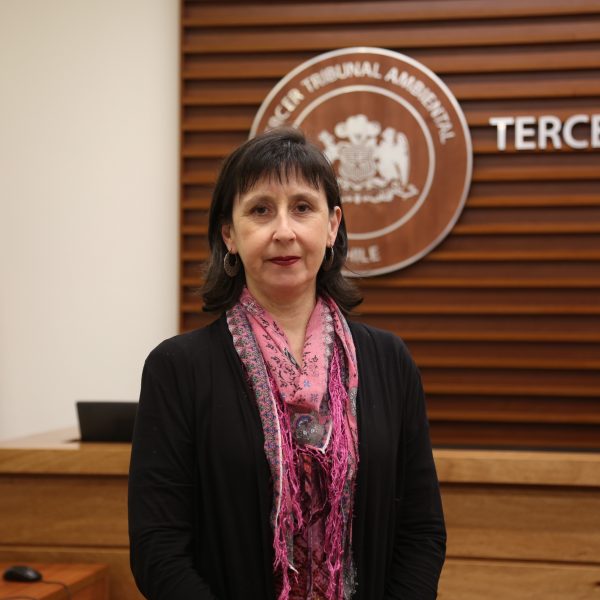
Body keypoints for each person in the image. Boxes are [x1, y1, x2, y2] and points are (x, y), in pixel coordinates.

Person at [128, 127, 446, 600]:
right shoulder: (176, 369)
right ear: (229, 234)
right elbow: (158, 548)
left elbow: (421, 531)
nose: (283, 231)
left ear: (332, 226)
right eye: (260, 210)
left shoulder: (389, 361)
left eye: (302, 207)